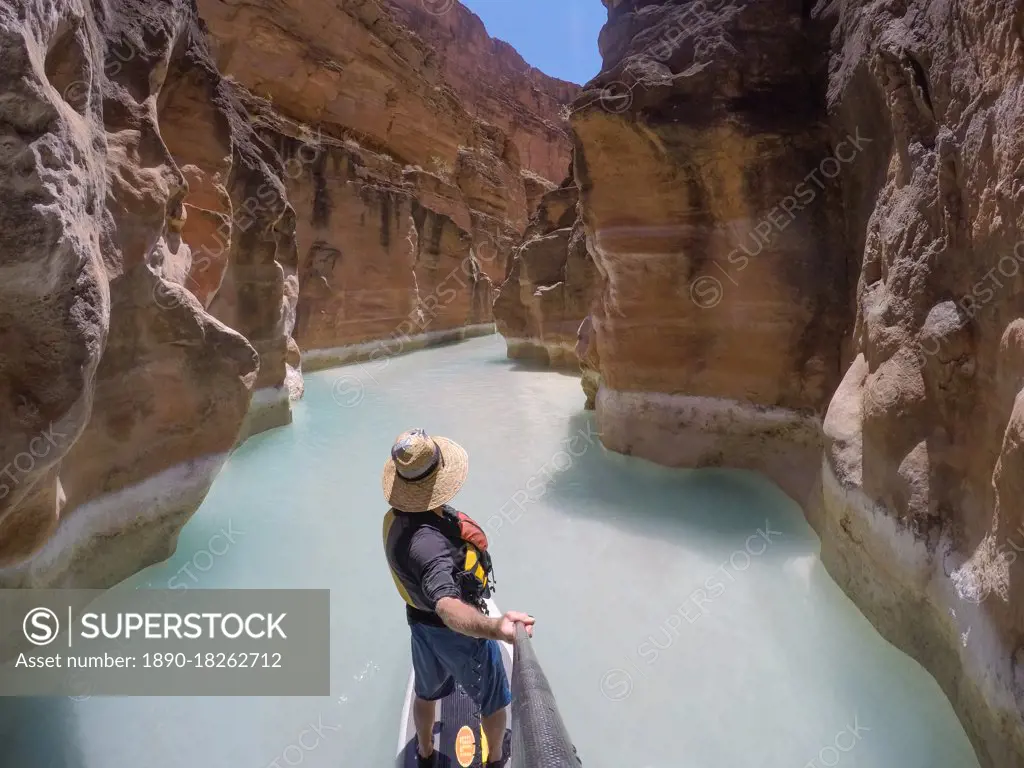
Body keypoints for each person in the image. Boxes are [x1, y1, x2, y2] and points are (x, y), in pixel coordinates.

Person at [382, 428, 535, 768]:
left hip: (420, 625)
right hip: (455, 633)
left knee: (426, 692)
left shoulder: (395, 519)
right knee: (494, 703)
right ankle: (494, 759)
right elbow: (448, 606)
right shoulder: (430, 546)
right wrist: (496, 628)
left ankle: (424, 752)